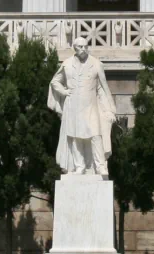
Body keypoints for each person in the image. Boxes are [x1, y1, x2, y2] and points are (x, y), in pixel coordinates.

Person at [47, 37, 116, 175]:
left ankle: (100, 165)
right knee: (75, 136)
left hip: (91, 106)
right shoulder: (67, 64)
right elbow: (55, 81)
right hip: (73, 106)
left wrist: (110, 109)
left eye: (85, 46)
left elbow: (103, 88)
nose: (83, 49)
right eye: (80, 47)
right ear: (74, 48)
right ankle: (79, 166)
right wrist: (65, 91)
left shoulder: (96, 64)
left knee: (96, 135)